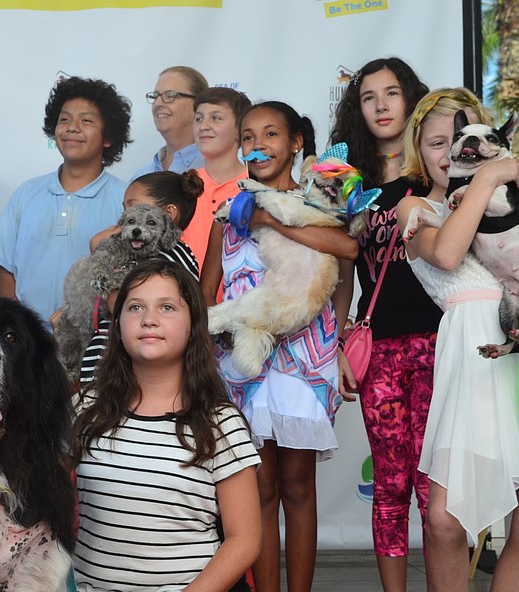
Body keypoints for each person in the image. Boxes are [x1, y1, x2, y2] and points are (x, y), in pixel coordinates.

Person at [202, 101, 357, 592]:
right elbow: (207, 292)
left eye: (271, 134)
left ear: (296, 143)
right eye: (248, 136)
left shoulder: (320, 200)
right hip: (243, 364)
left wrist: (340, 336)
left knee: (297, 485)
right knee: (260, 489)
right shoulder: (228, 215)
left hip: (304, 360)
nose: (258, 145)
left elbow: (349, 252)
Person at [395, 88, 519, 592]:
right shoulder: (414, 209)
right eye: (438, 143)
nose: (455, 151)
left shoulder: (513, 207)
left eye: (478, 141)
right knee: (444, 521)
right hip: (471, 368)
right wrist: (492, 176)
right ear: (420, 151)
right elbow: (449, 253)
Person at [72, 258, 261, 591]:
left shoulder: (220, 422)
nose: (149, 319)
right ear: (117, 325)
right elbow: (35, 492)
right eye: (135, 307)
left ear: (193, 325)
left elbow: (244, 540)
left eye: (167, 307)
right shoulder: (84, 408)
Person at [329, 57, 436, 592]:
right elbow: (344, 268)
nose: (381, 105)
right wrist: (340, 338)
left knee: (437, 490)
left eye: (391, 93)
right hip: (383, 351)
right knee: (391, 487)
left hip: (442, 342)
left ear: (411, 99)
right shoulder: (351, 184)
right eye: (368, 97)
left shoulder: (435, 171)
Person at [0, 76, 131, 327]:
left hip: (97, 339)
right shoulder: (26, 194)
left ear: (107, 137)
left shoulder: (125, 199)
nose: (72, 128)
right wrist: (25, 329)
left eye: (86, 121)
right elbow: (7, 272)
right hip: (31, 340)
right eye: (64, 119)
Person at [79, 169, 204, 385]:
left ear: (168, 214)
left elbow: (122, 305)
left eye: (133, 206)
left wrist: (102, 258)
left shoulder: (166, 256)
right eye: (125, 210)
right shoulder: (147, 252)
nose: (126, 218)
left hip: (125, 372)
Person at [181, 87, 251, 271]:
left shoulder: (254, 188)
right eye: (198, 118)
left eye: (216, 118)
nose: (203, 126)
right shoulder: (181, 184)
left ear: (240, 130)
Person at [132, 66, 209, 179]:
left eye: (170, 95)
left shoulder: (215, 171)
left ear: (198, 104)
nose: (157, 104)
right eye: (155, 96)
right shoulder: (141, 177)